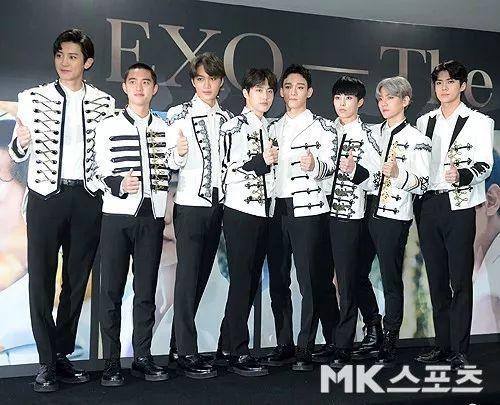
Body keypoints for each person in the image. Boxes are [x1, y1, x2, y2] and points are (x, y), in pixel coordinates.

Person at [8, 29, 114, 392]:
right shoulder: (31, 98)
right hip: (45, 197)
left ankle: (61, 354)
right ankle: (46, 362)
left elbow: (108, 155)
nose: (64, 62)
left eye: (72, 56)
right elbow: (17, 153)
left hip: (87, 198)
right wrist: (21, 144)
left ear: (88, 62)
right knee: (41, 280)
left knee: (76, 280)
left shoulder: (104, 103)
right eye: (59, 55)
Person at [95, 62, 180, 386]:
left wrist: (180, 154)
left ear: (154, 88)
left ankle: (142, 358)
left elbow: (175, 164)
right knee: (111, 291)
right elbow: (95, 169)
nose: (139, 87)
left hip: (153, 219)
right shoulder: (108, 126)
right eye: (133, 81)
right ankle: (111, 362)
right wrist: (118, 183)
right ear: (125, 87)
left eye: (146, 82)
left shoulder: (166, 128)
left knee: (146, 291)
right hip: (117, 217)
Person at [415, 61, 494, 370]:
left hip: (459, 205)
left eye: (450, 81)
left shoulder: (479, 121)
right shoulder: (424, 121)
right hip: (428, 204)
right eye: (439, 82)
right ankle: (442, 345)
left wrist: (461, 175)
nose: (443, 87)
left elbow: (485, 164)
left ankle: (460, 349)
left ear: (462, 86)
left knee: (459, 279)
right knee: (435, 279)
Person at [261, 64, 336, 372]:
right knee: (279, 281)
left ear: (310, 92)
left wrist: (315, 165)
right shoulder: (270, 128)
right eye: (288, 87)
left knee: (309, 282)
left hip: (309, 211)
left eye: (300, 87)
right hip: (276, 210)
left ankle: (306, 345)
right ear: (281, 92)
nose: (293, 92)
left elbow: (331, 167)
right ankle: (285, 343)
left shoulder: (323, 127)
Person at [166, 52, 233, 379]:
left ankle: (176, 346)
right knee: (187, 278)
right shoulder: (179, 114)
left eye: (213, 78)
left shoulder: (229, 119)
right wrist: (178, 154)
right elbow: (169, 161)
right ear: (193, 81)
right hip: (190, 205)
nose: (207, 85)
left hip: (218, 207)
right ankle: (187, 352)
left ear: (221, 82)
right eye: (201, 79)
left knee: (200, 278)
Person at [360, 76, 431, 367]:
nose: (384, 103)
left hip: (394, 217)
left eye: (390, 97)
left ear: (405, 101)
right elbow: (365, 174)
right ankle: (373, 324)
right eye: (380, 98)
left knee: (390, 279)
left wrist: (399, 174)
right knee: (354, 273)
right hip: (365, 211)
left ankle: (390, 338)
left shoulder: (418, 139)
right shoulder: (371, 134)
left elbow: (423, 184)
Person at [219, 68, 278, 376]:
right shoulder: (233, 127)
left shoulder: (270, 127)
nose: (265, 96)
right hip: (240, 211)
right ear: (245, 93)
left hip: (265, 213)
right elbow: (227, 170)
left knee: (251, 281)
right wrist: (261, 162)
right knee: (242, 281)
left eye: (269, 91)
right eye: (258, 90)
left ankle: (226, 344)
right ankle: (239, 351)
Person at [320, 76, 382, 367]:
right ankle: (332, 338)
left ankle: (345, 344)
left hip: (350, 215)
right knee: (321, 279)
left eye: (348, 98)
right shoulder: (324, 130)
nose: (342, 104)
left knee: (347, 281)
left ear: (360, 102)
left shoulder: (367, 135)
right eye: (338, 98)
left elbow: (377, 180)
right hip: (319, 213)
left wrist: (356, 171)